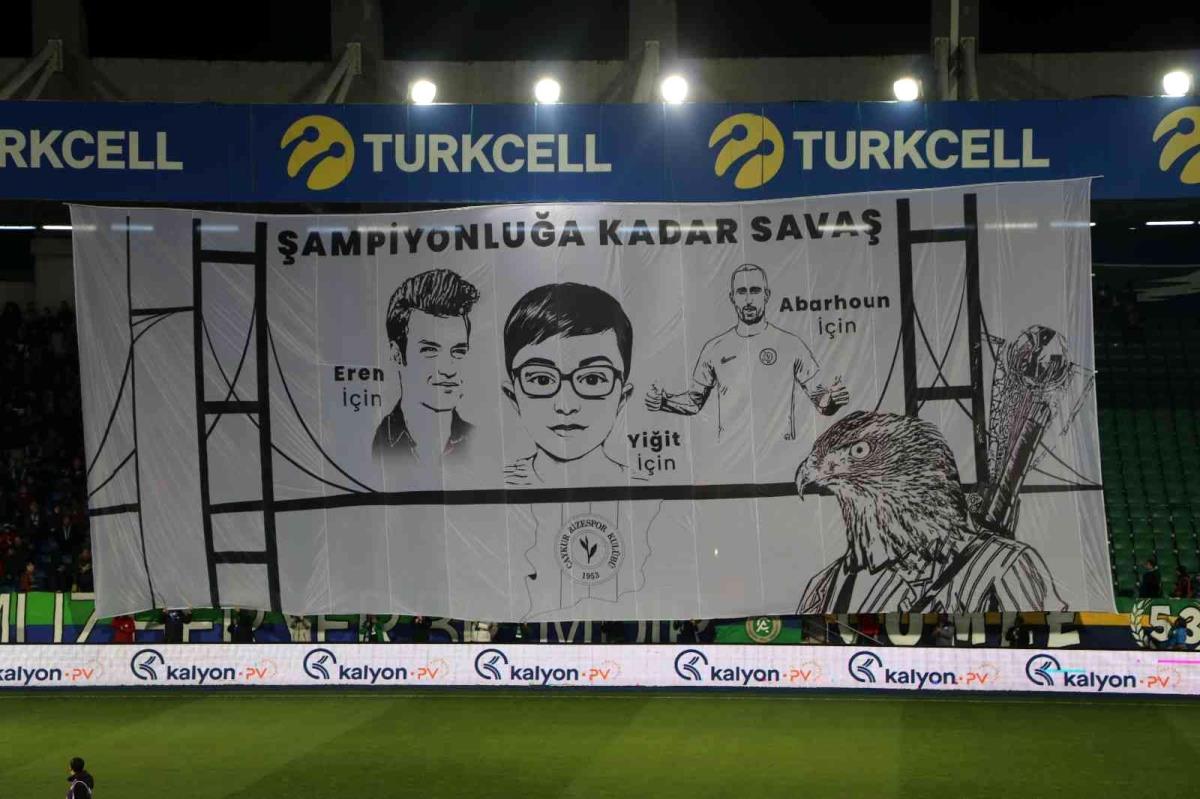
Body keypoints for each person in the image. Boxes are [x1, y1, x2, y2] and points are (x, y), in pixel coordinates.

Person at [795, 412, 1066, 614]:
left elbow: (1044, 657)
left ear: (915, 456)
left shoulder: (1004, 566)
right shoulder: (827, 586)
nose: (813, 469)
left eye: (859, 450)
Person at [644, 263, 849, 443]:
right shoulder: (714, 348)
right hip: (731, 455)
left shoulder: (791, 344)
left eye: (755, 291)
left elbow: (820, 401)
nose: (749, 300)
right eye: (742, 292)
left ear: (766, 295)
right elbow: (694, 402)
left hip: (780, 452)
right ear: (732, 297)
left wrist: (832, 399)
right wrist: (664, 402)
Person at [502, 282, 638, 487]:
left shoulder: (649, 490)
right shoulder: (493, 483)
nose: (566, 406)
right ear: (513, 397)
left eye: (592, 379)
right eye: (542, 380)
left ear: (622, 397)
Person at [373, 269, 481, 463]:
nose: (448, 369)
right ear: (397, 355)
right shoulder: (377, 445)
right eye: (430, 350)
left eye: (458, 351)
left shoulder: (480, 443)